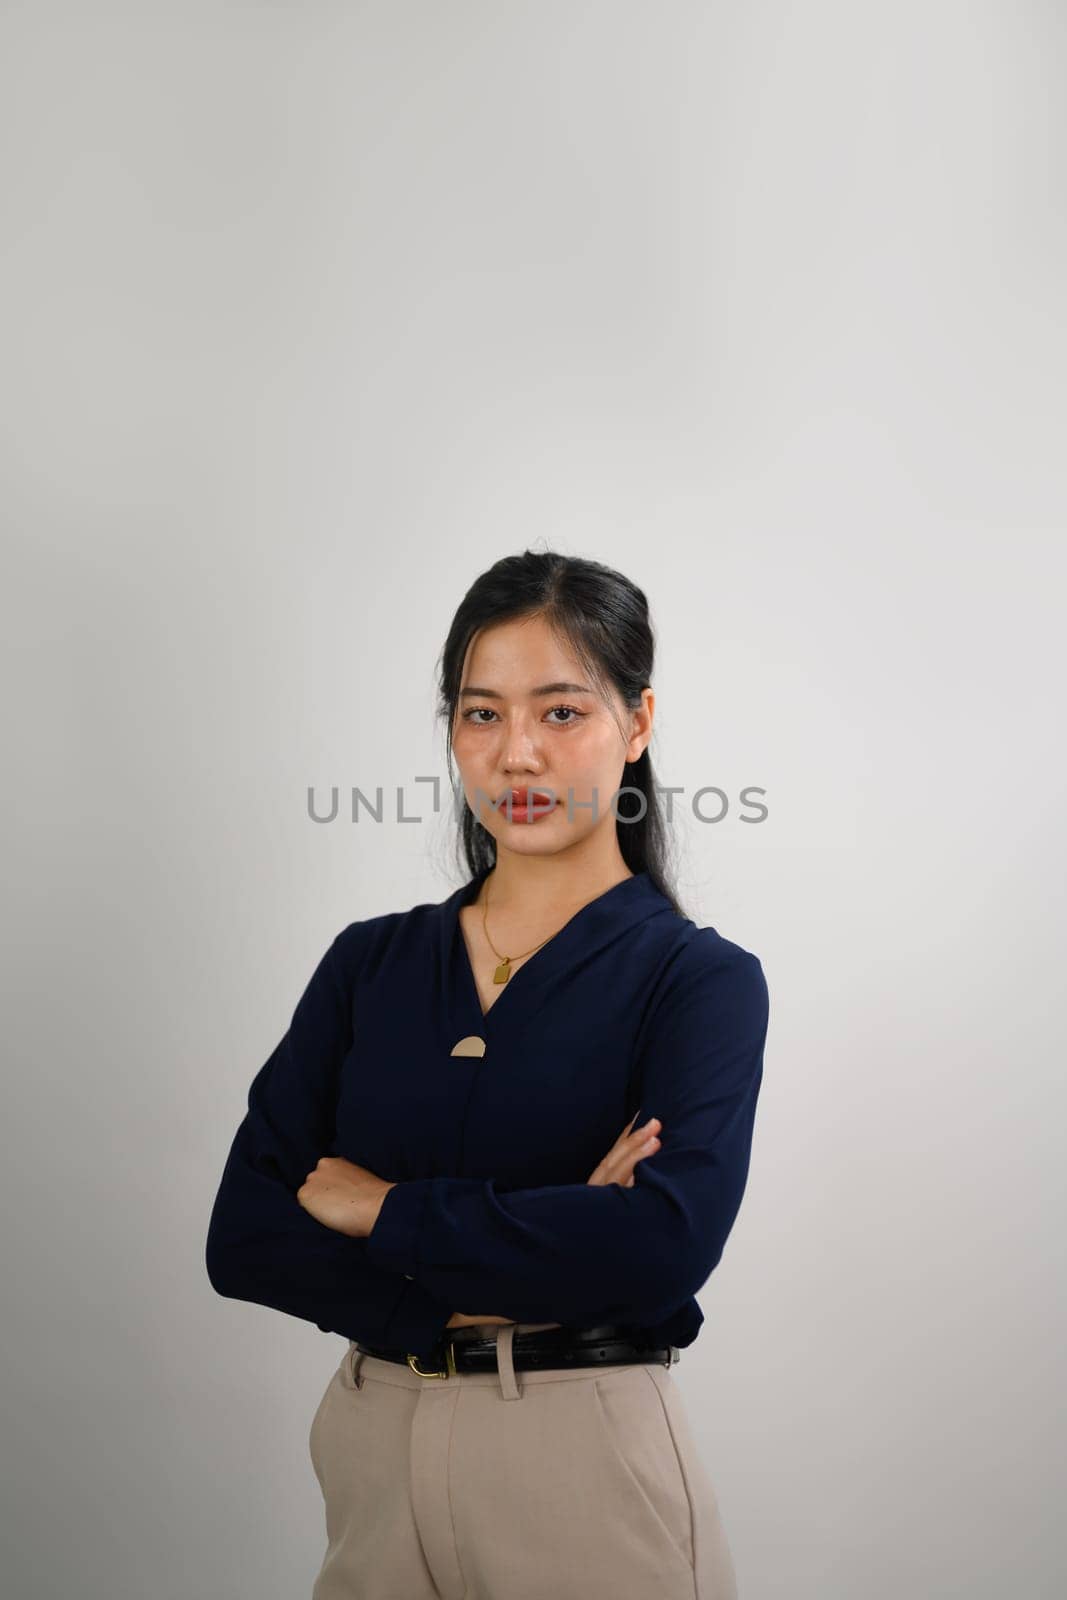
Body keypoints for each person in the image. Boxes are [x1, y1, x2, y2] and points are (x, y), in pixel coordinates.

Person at [205, 549, 770, 1600]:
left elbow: (658, 1247)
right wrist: (529, 1247)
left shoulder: (696, 981)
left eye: (560, 713)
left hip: (579, 1452)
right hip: (375, 1444)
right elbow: (246, 1236)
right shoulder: (369, 963)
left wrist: (382, 1212)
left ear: (636, 722)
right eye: (479, 714)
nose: (516, 754)